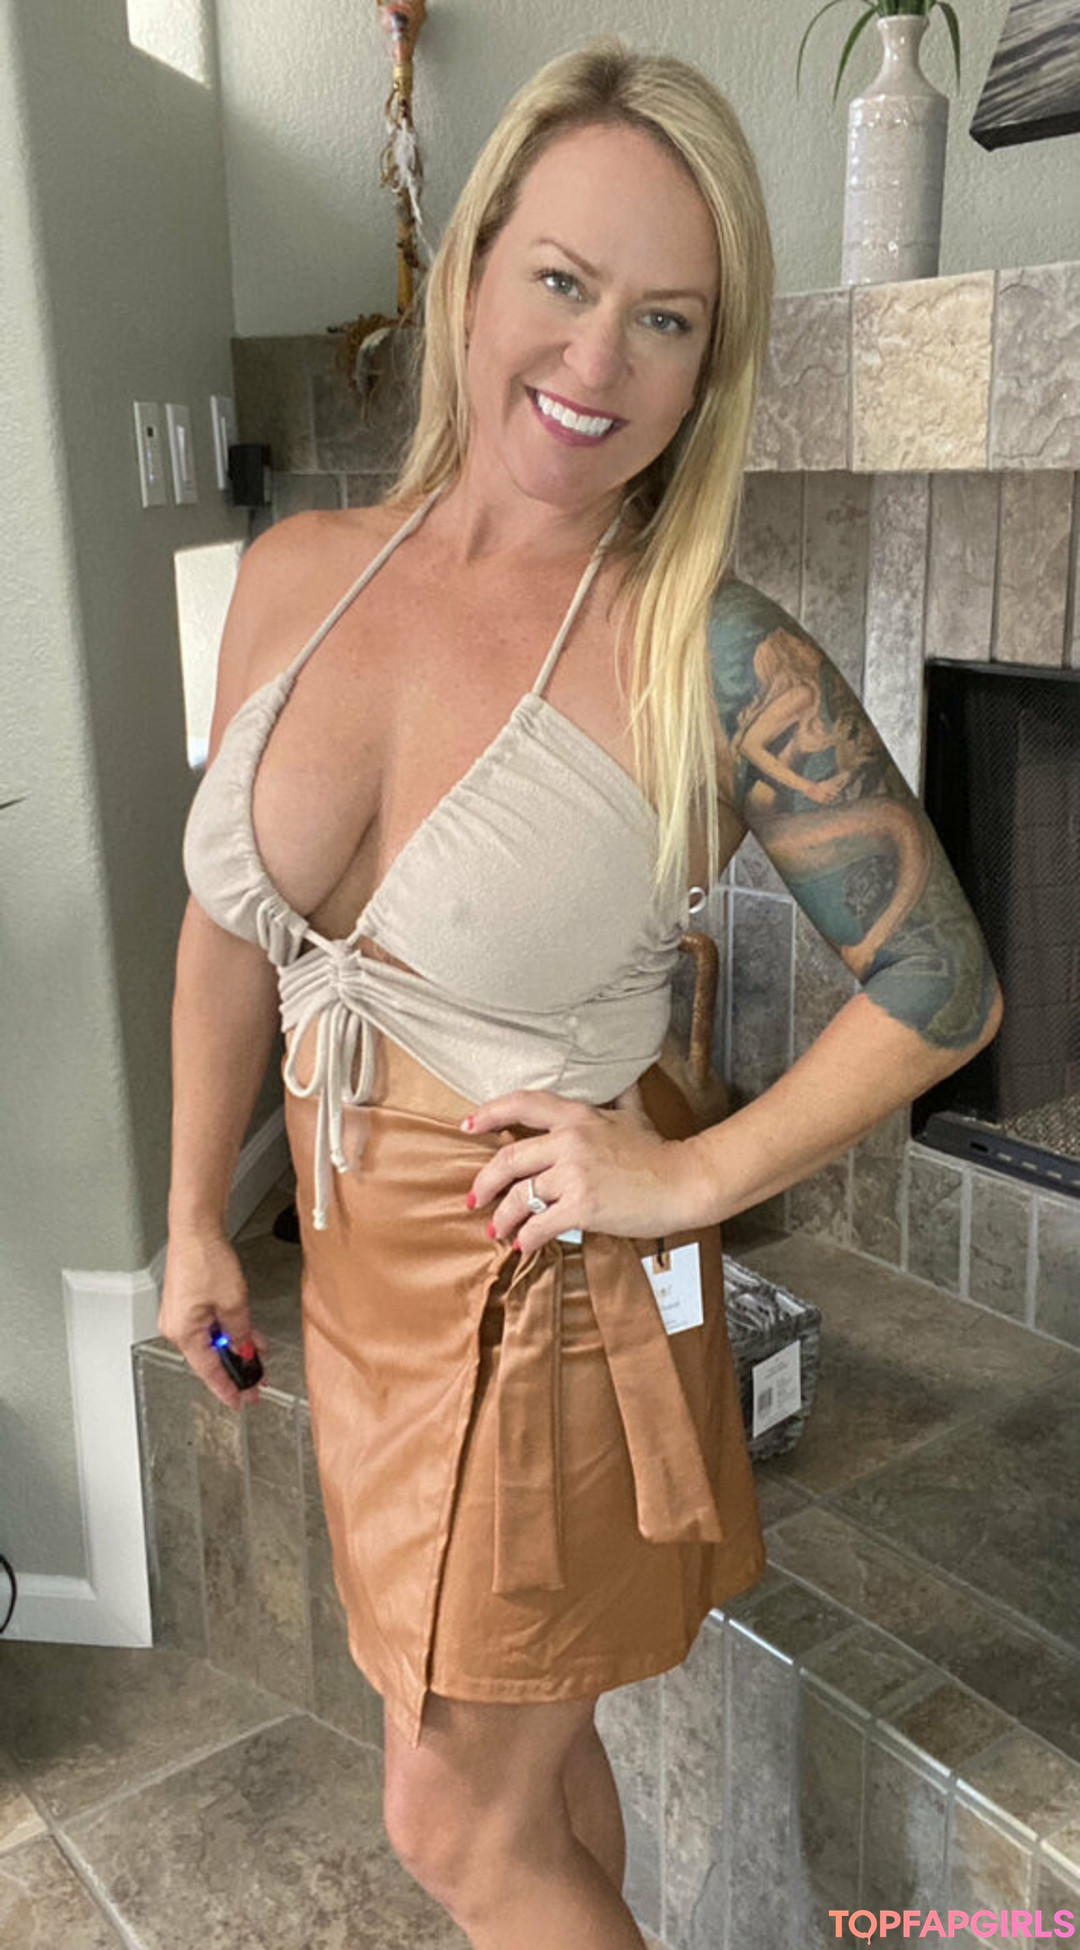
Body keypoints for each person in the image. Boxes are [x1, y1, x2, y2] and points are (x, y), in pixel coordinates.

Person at [163, 36, 1002, 1950]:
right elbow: (228, 925)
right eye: (561, 279)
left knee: (453, 1824)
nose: (597, 360)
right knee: (520, 1782)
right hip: (361, 1294)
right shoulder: (295, 574)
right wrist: (197, 1210)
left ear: (710, 367)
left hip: (536, 1308)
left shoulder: (707, 648)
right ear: (472, 270)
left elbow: (942, 985)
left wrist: (688, 1177)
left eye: (667, 320)